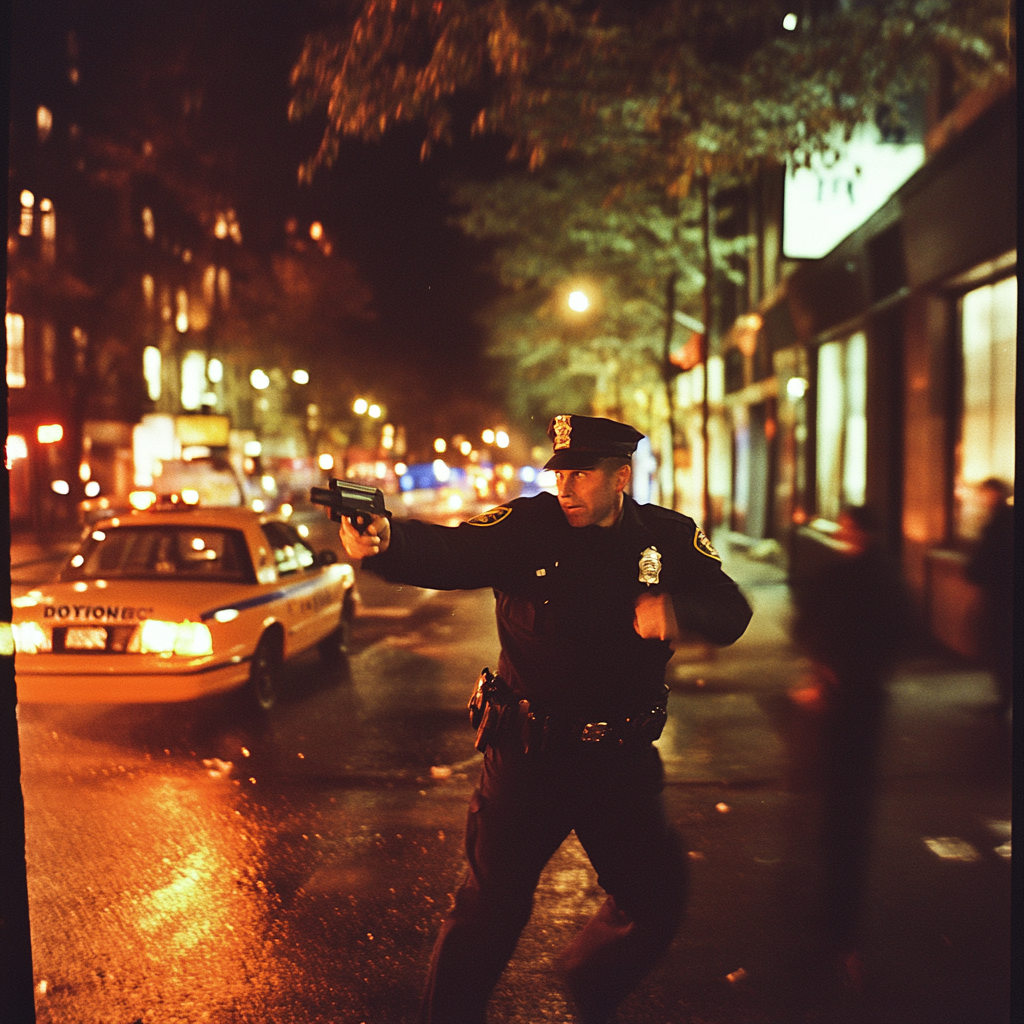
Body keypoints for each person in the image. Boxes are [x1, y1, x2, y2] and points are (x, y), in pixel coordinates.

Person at [338, 414, 752, 1024]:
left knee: (656, 902)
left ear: (621, 477)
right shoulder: (526, 528)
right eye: (560, 472)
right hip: (530, 760)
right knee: (488, 914)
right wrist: (387, 541)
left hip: (622, 765)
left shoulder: (667, 538)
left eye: (581, 474)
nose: (565, 487)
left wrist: (679, 608)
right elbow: (452, 552)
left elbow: (732, 608)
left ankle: (589, 983)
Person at [791, 505, 915, 987]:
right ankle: (838, 915)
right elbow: (900, 634)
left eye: (847, 527)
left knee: (839, 810)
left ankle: (836, 919)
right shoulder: (882, 578)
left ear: (857, 531)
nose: (843, 533)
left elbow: (809, 623)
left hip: (845, 702)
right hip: (861, 701)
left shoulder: (844, 577)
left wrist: (827, 667)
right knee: (847, 810)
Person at [965, 478, 1014, 719]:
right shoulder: (1008, 520)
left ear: (995, 494)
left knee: (1002, 647)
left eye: (985, 493)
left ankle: (1005, 699)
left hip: (1001, 595)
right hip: (1009, 593)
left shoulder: (997, 524)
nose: (982, 498)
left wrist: (973, 572)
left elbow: (985, 562)